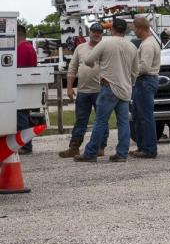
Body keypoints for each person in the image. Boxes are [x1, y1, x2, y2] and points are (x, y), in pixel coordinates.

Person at [75, 18, 138, 163]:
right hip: (125, 88)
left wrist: (99, 63)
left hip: (108, 86)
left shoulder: (105, 43)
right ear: (125, 31)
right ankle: (122, 153)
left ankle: (90, 153)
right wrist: (129, 82)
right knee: (123, 122)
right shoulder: (132, 46)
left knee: (101, 121)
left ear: (112, 29)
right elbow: (135, 71)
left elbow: (89, 60)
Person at [59, 23, 106, 158]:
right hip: (83, 91)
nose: (96, 34)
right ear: (89, 32)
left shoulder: (105, 48)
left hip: (100, 90)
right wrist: (69, 87)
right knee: (80, 120)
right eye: (94, 31)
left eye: (99, 32)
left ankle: (100, 147)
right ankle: (74, 147)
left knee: (101, 120)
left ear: (102, 34)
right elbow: (72, 69)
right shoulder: (80, 48)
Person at [130, 17, 161, 159]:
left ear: (141, 28)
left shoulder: (148, 45)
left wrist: (130, 70)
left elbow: (145, 67)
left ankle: (149, 149)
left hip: (145, 81)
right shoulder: (148, 42)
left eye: (135, 28)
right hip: (145, 81)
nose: (134, 31)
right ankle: (143, 147)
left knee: (145, 116)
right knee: (139, 115)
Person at [15, 24, 38, 155]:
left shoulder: (21, 48)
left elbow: (18, 69)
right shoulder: (29, 47)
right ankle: (25, 144)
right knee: (23, 116)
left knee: (21, 117)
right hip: (28, 86)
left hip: (21, 87)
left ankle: (26, 145)